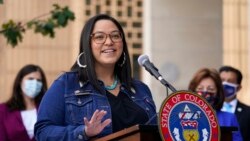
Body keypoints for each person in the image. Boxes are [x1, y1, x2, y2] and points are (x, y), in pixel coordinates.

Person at [34, 14, 157, 141]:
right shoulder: (66, 84)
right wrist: (84, 132)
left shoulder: (141, 89)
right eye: (99, 37)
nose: (109, 42)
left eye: (115, 36)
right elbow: (43, 132)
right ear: (87, 45)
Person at [188, 68, 243, 141]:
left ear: (218, 93)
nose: (205, 92)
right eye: (200, 89)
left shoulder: (230, 118)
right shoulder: (184, 118)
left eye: (210, 89)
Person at [0, 64, 48, 141]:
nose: (35, 83)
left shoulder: (47, 109)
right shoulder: (3, 110)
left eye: (38, 80)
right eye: (30, 79)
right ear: (20, 81)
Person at [219, 66, 250, 141]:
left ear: (238, 87)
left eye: (230, 81)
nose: (225, 84)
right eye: (222, 80)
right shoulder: (209, 110)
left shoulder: (248, 113)